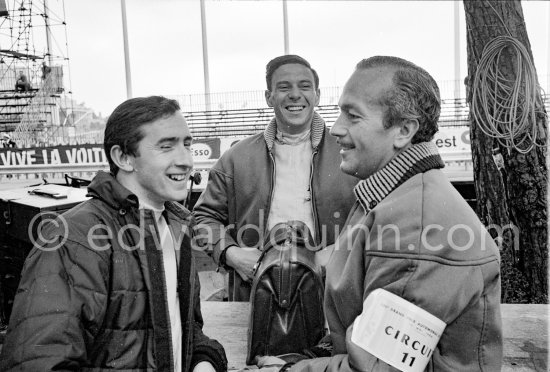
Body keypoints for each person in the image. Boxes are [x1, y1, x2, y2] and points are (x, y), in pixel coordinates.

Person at [254, 56, 502, 371]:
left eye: (353, 116)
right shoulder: (387, 197)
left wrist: (292, 370)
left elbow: (377, 367)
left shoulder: (418, 225)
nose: (336, 129)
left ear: (404, 130)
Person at [0, 96, 227, 372]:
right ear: (123, 158)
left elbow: (183, 331)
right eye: (166, 147)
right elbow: (38, 362)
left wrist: (203, 361)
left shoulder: (176, 228)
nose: (185, 161)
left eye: (187, 145)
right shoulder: (73, 237)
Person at [193, 55, 358, 301]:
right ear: (269, 97)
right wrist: (231, 253)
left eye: (304, 86)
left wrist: (340, 251)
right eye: (284, 87)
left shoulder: (352, 151)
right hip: (257, 292)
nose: (295, 95)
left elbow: (378, 215)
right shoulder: (236, 158)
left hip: (333, 293)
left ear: (317, 95)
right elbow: (203, 217)